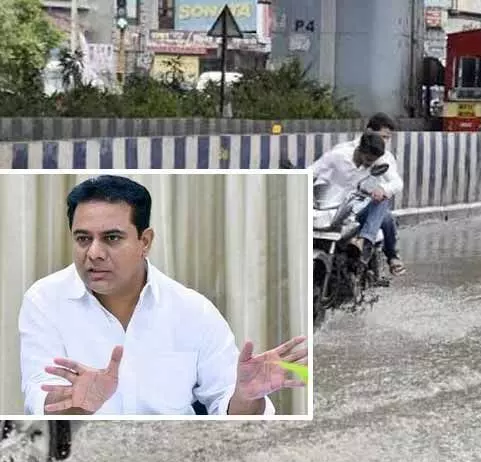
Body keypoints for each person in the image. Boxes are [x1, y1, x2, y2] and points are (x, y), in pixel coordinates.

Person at [19, 175, 308, 416]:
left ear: (144, 241)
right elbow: (38, 394)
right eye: (83, 239)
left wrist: (247, 397)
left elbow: (226, 407)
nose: (93, 253)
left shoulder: (192, 310)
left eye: (112, 238)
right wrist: (81, 407)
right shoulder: (44, 301)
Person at [313, 113, 407, 275]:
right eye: (383, 137)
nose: (385, 142)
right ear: (369, 131)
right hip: (332, 208)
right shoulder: (340, 153)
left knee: (384, 209)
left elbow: (396, 183)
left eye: (388, 138)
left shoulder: (383, 157)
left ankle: (367, 243)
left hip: (361, 209)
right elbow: (313, 170)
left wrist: (383, 190)